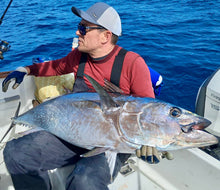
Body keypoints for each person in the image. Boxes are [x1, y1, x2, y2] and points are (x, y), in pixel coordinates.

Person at [2, 2, 165, 190]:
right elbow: (55, 67)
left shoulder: (133, 64)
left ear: (106, 36)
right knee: (16, 153)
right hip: (74, 133)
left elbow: (149, 114)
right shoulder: (78, 57)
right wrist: (26, 69)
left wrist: (151, 145)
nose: (77, 33)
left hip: (111, 143)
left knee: (84, 181)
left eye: (83, 28)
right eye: (79, 27)